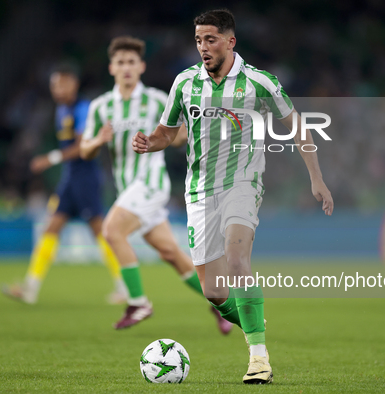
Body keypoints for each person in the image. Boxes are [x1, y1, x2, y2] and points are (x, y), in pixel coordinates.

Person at [132, 9, 334, 384]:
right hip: (199, 192)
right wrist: (149, 142)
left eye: (210, 39)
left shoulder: (260, 82)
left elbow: (298, 126)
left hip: (243, 184)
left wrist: (316, 178)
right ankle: (255, 323)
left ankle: (259, 360)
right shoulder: (185, 83)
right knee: (213, 291)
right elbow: (166, 132)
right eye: (198, 40)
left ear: (230, 41)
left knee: (238, 260)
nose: (203, 47)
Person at [80, 36, 232, 334]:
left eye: (131, 62)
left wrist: (159, 138)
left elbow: (184, 134)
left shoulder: (157, 100)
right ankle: (222, 306)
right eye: (121, 62)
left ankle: (138, 303)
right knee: (171, 254)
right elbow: (85, 149)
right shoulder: (101, 107)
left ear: (142, 67)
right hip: (128, 188)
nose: (126, 67)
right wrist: (99, 140)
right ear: (112, 68)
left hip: (150, 183)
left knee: (111, 231)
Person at [2, 65, 127, 304]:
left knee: (101, 232)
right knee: (51, 228)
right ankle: (30, 287)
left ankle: (124, 286)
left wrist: (51, 158)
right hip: (70, 178)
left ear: (74, 84)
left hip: (86, 177)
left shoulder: (82, 109)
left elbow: (83, 146)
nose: (57, 90)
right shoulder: (61, 109)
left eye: (62, 84)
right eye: (54, 85)